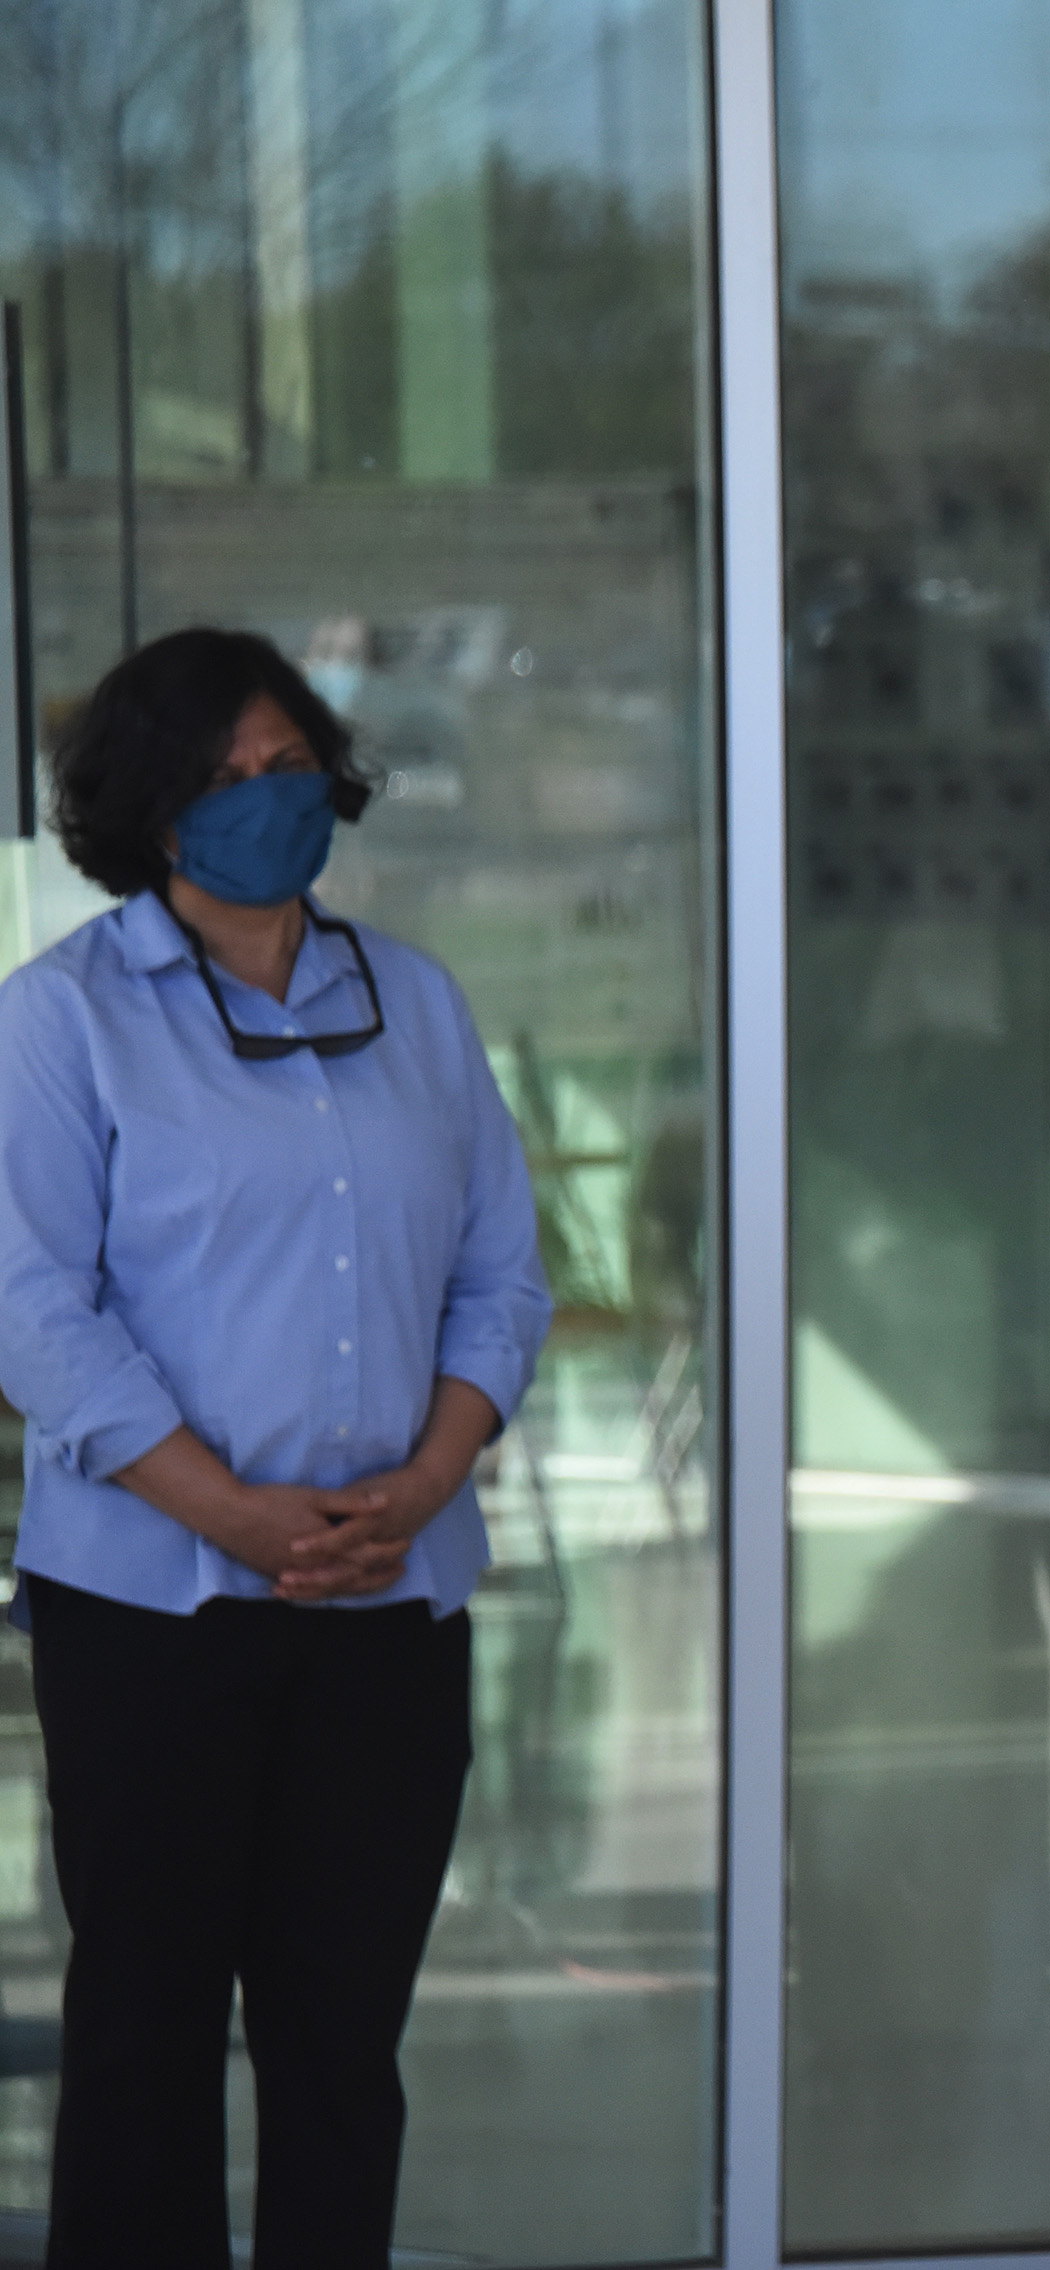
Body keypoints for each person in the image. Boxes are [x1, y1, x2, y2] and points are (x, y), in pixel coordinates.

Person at [0, 628, 553, 2267]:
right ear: (151, 808)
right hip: (152, 1614)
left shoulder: (421, 1004)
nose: (267, 797)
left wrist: (432, 1474)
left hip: (387, 1606)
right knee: (145, 2048)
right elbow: (35, 1311)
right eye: (226, 776)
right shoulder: (64, 1019)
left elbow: (501, 1274)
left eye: (289, 764)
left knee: (339, 2051)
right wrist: (233, 1513)